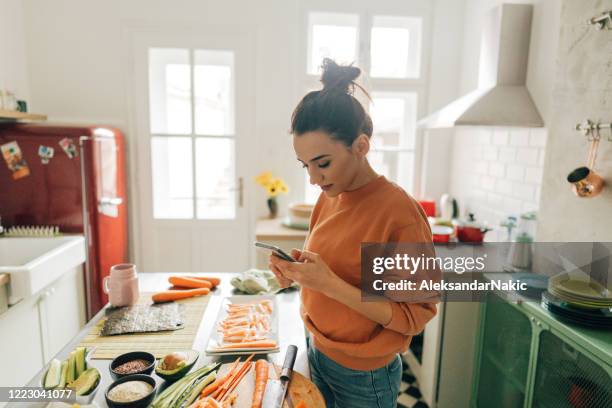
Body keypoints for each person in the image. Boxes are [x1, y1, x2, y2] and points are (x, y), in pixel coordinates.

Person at [269, 58, 438, 408]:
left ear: (361, 146)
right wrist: (298, 273)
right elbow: (333, 269)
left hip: (364, 377)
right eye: (306, 166)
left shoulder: (398, 214)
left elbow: (413, 316)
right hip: (317, 350)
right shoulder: (331, 196)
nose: (314, 179)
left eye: (323, 163)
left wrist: (327, 283)